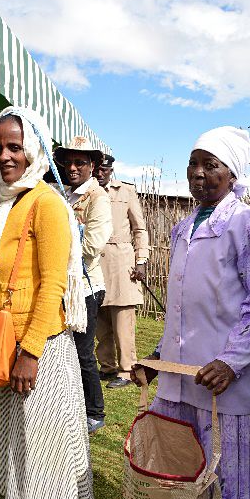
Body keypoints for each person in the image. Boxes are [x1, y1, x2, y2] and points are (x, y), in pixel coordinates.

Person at [131, 126, 250, 499]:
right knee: (186, 459)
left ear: (233, 172)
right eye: (193, 164)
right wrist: (157, 357)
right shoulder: (183, 228)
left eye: (210, 165)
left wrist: (231, 361)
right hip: (183, 375)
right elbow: (181, 310)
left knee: (225, 464)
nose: (198, 174)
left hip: (224, 378)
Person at [0, 106, 92, 499]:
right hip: (14, 337)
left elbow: (53, 284)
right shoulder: (13, 203)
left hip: (42, 343)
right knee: (24, 432)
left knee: (47, 437)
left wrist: (31, 350)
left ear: (34, 151)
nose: (4, 155)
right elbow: (2, 281)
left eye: (14, 146)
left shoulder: (47, 204)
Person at [54, 137, 113, 434]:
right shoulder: (64, 193)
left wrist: (59, 236)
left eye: (80, 162)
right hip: (62, 284)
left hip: (86, 288)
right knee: (63, 348)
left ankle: (94, 411)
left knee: (83, 351)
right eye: (69, 162)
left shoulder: (98, 198)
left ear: (92, 166)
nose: (73, 167)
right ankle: (69, 403)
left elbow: (92, 246)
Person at [95, 154, 149, 388]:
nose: (100, 173)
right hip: (95, 261)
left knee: (122, 319)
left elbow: (139, 228)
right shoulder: (87, 192)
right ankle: (107, 367)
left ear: (111, 170)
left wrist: (141, 260)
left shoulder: (125, 192)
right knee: (100, 319)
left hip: (121, 260)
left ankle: (127, 370)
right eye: (97, 169)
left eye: (105, 169)